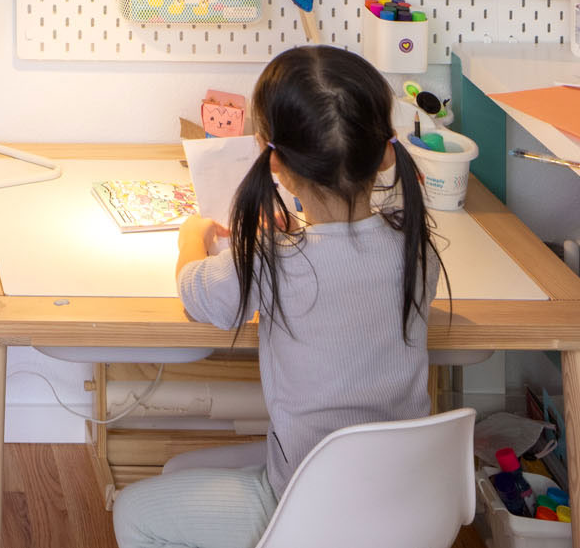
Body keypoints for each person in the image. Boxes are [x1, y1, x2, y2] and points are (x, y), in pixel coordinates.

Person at [112, 46, 441, 548]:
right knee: (178, 469)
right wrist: (295, 235)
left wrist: (191, 236)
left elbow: (197, 295)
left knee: (134, 513)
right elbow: (348, 275)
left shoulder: (276, 261)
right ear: (387, 154)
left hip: (308, 508)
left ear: (275, 163)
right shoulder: (417, 251)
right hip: (404, 503)